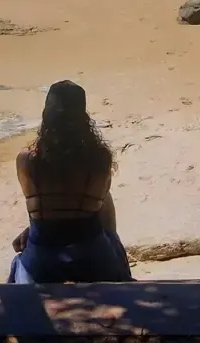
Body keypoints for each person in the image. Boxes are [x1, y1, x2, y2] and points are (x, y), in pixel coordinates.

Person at [7, 80, 132, 283]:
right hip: (95, 260)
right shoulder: (100, 158)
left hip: (42, 262)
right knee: (105, 204)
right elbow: (96, 201)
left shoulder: (27, 161)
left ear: (46, 114)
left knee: (23, 262)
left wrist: (33, 232)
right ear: (83, 117)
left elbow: (41, 209)